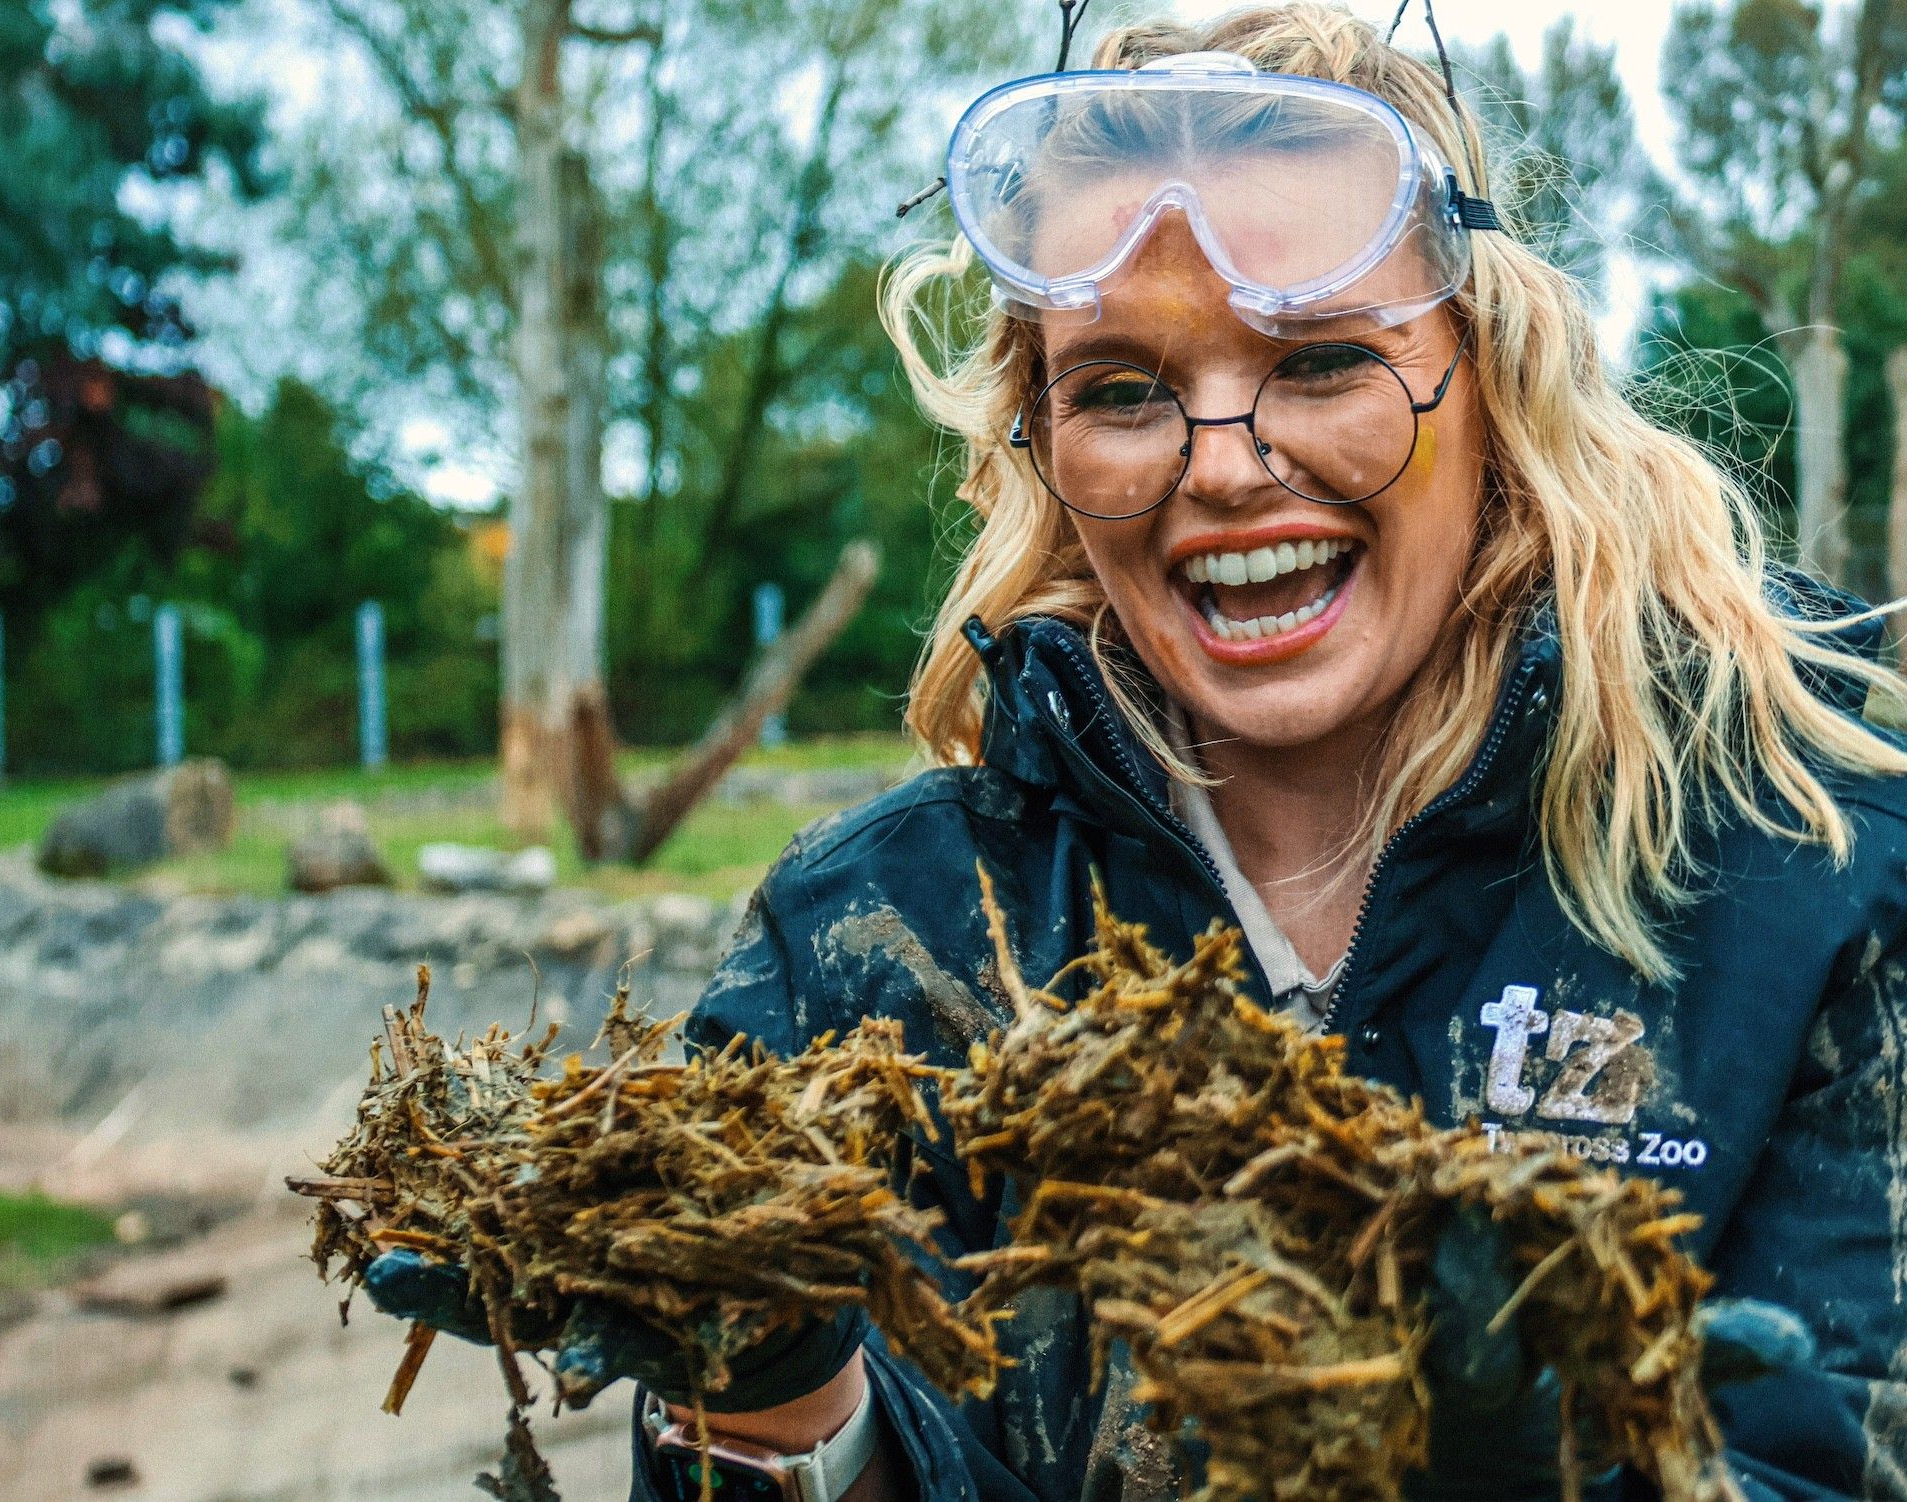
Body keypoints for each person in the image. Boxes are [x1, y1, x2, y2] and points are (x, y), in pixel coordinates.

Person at [367, 5, 1907, 1498]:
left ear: (1490, 382)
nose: (1224, 467)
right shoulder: (876, 948)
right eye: (1122, 391)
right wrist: (786, 1411)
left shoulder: (1805, 869)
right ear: (1041, 440)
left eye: (1320, 361)